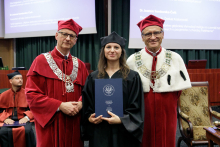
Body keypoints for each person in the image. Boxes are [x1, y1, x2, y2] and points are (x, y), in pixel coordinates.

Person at [127, 15, 192, 147]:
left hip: (167, 110)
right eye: (148, 34)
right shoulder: (132, 60)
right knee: (144, 140)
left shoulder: (175, 58)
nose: (153, 37)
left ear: (163, 34)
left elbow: (179, 91)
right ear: (142, 37)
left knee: (167, 139)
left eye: (157, 32)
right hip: (143, 110)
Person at [25, 19, 89, 147]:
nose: (67, 38)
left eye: (72, 36)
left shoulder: (80, 65)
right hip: (51, 122)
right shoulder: (40, 61)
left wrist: (81, 103)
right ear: (56, 35)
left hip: (74, 122)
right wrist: (59, 106)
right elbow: (31, 94)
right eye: (64, 34)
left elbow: (88, 91)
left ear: (76, 40)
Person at [81, 31, 144, 147]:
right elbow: (87, 105)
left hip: (123, 132)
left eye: (116, 47)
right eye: (108, 47)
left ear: (122, 51)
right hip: (99, 131)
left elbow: (137, 107)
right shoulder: (93, 77)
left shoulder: (132, 77)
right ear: (103, 51)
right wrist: (90, 118)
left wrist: (122, 120)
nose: (112, 50)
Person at [0, 70, 35, 147]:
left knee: (27, 131)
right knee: (2, 132)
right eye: (17, 78)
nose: (20, 80)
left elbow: (35, 109)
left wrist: (27, 117)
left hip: (23, 120)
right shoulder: (3, 95)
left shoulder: (28, 94)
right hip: (9, 121)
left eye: (21, 78)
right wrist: (5, 118)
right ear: (10, 81)